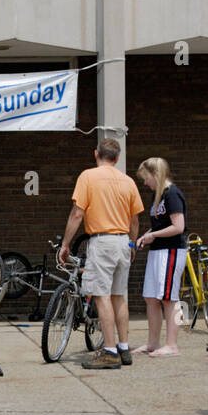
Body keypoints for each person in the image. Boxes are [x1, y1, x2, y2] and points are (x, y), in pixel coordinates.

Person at [59, 138, 144, 369]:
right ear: (117, 158)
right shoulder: (127, 182)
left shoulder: (87, 177)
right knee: (119, 296)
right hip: (123, 241)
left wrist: (66, 244)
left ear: (96, 154)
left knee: (102, 295)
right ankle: (124, 347)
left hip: (102, 241)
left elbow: (77, 214)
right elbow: (135, 220)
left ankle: (109, 350)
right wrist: (132, 244)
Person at [133, 157, 188, 357]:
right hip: (157, 251)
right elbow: (160, 225)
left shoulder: (172, 195)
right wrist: (147, 235)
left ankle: (172, 344)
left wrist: (152, 235)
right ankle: (152, 342)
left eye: (146, 178)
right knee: (150, 297)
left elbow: (178, 227)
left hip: (171, 251)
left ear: (156, 174)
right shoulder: (159, 197)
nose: (145, 183)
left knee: (169, 298)